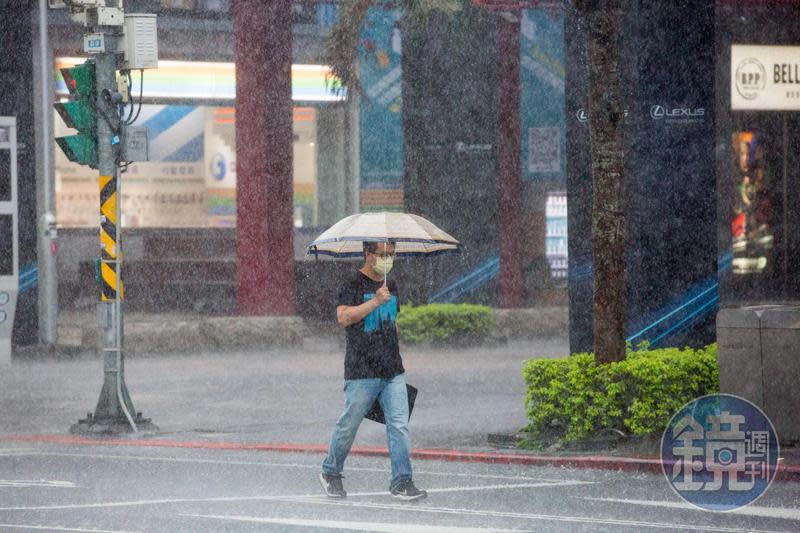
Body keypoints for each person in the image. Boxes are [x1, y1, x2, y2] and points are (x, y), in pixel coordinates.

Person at [319, 240, 427, 501]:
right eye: (382, 254)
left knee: (399, 426)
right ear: (367, 254)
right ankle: (331, 471)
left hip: (392, 369)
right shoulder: (351, 284)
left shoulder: (392, 284)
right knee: (349, 424)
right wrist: (375, 302)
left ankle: (402, 481)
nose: (387, 259)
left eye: (392, 254)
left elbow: (394, 321)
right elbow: (344, 318)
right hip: (362, 370)